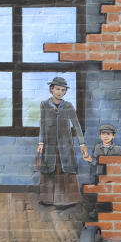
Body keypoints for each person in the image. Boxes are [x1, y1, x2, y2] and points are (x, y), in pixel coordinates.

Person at [37, 77, 88, 208]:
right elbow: (42, 125)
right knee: (50, 169)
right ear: (51, 89)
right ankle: (48, 199)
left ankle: (67, 200)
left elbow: (76, 125)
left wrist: (82, 144)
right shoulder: (44, 105)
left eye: (63, 90)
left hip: (66, 145)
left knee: (66, 171)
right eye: (57, 89)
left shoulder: (68, 106)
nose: (60, 92)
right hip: (50, 145)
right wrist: (41, 142)